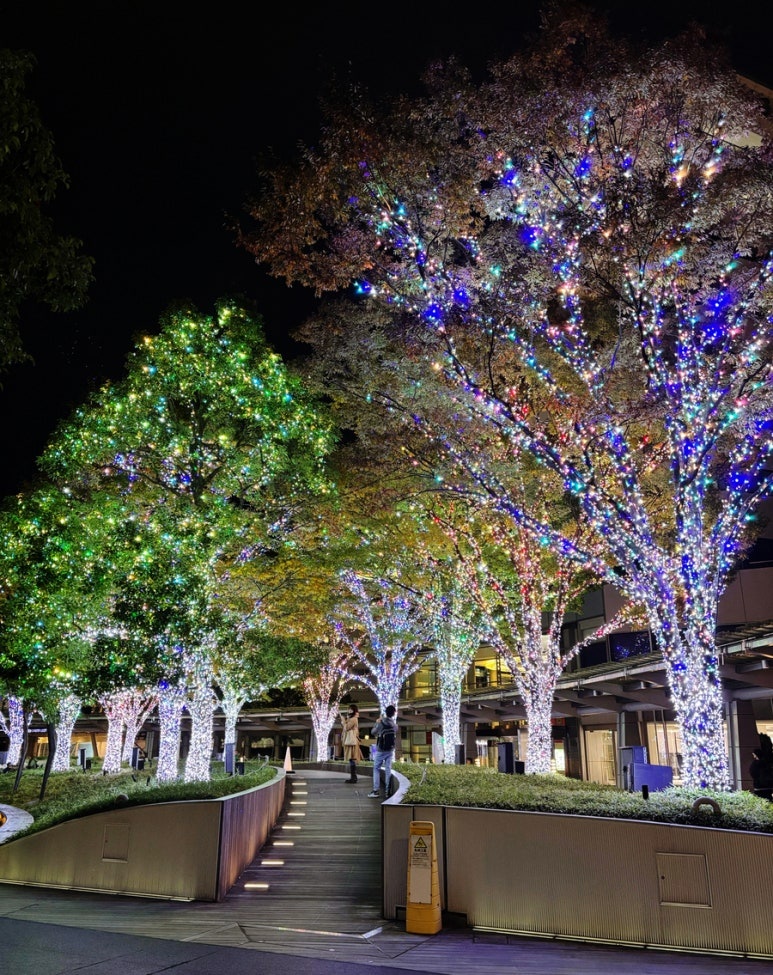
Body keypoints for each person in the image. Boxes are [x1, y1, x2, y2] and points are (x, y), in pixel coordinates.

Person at [369, 704, 397, 798]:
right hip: (390, 749)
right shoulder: (394, 724)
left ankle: (376, 791)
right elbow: (395, 731)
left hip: (381, 750)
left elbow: (373, 732)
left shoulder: (381, 722)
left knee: (376, 768)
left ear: (385, 712)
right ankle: (387, 791)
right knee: (388, 769)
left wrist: (377, 722)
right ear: (394, 713)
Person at [340, 704, 362, 783]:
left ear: (354, 711)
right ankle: (353, 777)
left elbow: (346, 728)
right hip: (351, 741)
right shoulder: (351, 718)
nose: (349, 711)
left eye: (351, 709)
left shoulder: (353, 719)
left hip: (352, 742)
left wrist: (343, 720)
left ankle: (354, 778)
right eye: (349, 709)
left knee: (352, 759)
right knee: (351, 759)